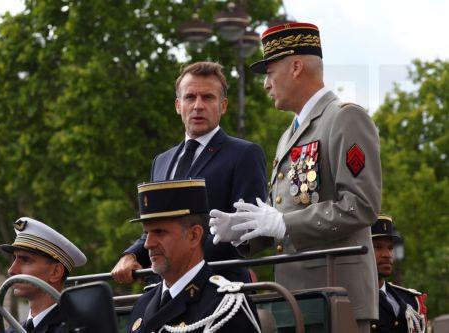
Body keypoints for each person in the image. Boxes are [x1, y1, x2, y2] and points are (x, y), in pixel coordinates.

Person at [209, 22, 382, 333]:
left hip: (336, 297)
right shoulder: (289, 135)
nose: (266, 84)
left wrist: (285, 224)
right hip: (294, 299)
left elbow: (361, 205)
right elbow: (286, 214)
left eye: (270, 72)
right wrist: (247, 230)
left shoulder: (345, 118)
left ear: (296, 67)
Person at [112, 61, 267, 283]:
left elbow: (250, 229)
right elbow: (156, 227)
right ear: (178, 105)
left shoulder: (244, 154)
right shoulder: (162, 161)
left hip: (216, 288)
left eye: (208, 97)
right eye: (190, 97)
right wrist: (131, 255)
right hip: (164, 290)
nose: (198, 105)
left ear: (223, 106)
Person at [127, 179, 260, 333]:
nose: (148, 244)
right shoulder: (142, 305)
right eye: (146, 233)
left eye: (159, 232)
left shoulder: (225, 308)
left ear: (193, 236)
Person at [1, 217, 87, 333]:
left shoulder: (76, 328)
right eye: (14, 258)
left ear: (56, 272)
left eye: (25, 260)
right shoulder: (12, 331)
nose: (11, 270)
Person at [370, 214, 427, 333]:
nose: (387, 254)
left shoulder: (410, 300)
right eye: (377, 247)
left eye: (390, 248)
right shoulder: (352, 299)